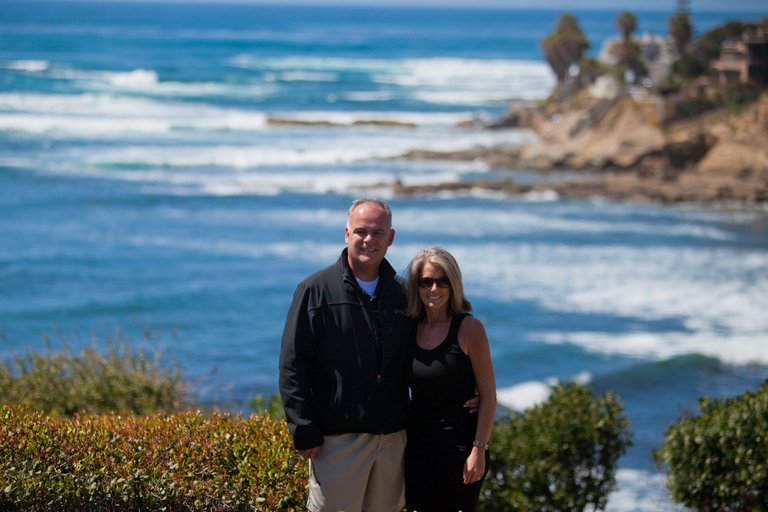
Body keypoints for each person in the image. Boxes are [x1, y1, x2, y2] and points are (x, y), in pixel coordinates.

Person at [278, 198, 412, 512]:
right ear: (347, 234)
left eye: (378, 233)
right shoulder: (314, 290)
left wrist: (465, 389)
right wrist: (304, 429)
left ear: (390, 238)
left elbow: (425, 356)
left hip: (394, 438)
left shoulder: (406, 295)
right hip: (337, 442)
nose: (369, 240)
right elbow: (292, 365)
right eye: (361, 231)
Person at [403, 247, 497, 512]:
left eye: (442, 280)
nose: (434, 288)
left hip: (460, 447)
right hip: (417, 447)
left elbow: (489, 395)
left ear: (453, 284)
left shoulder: (469, 328)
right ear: (416, 285)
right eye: (426, 281)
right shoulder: (409, 328)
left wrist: (478, 449)